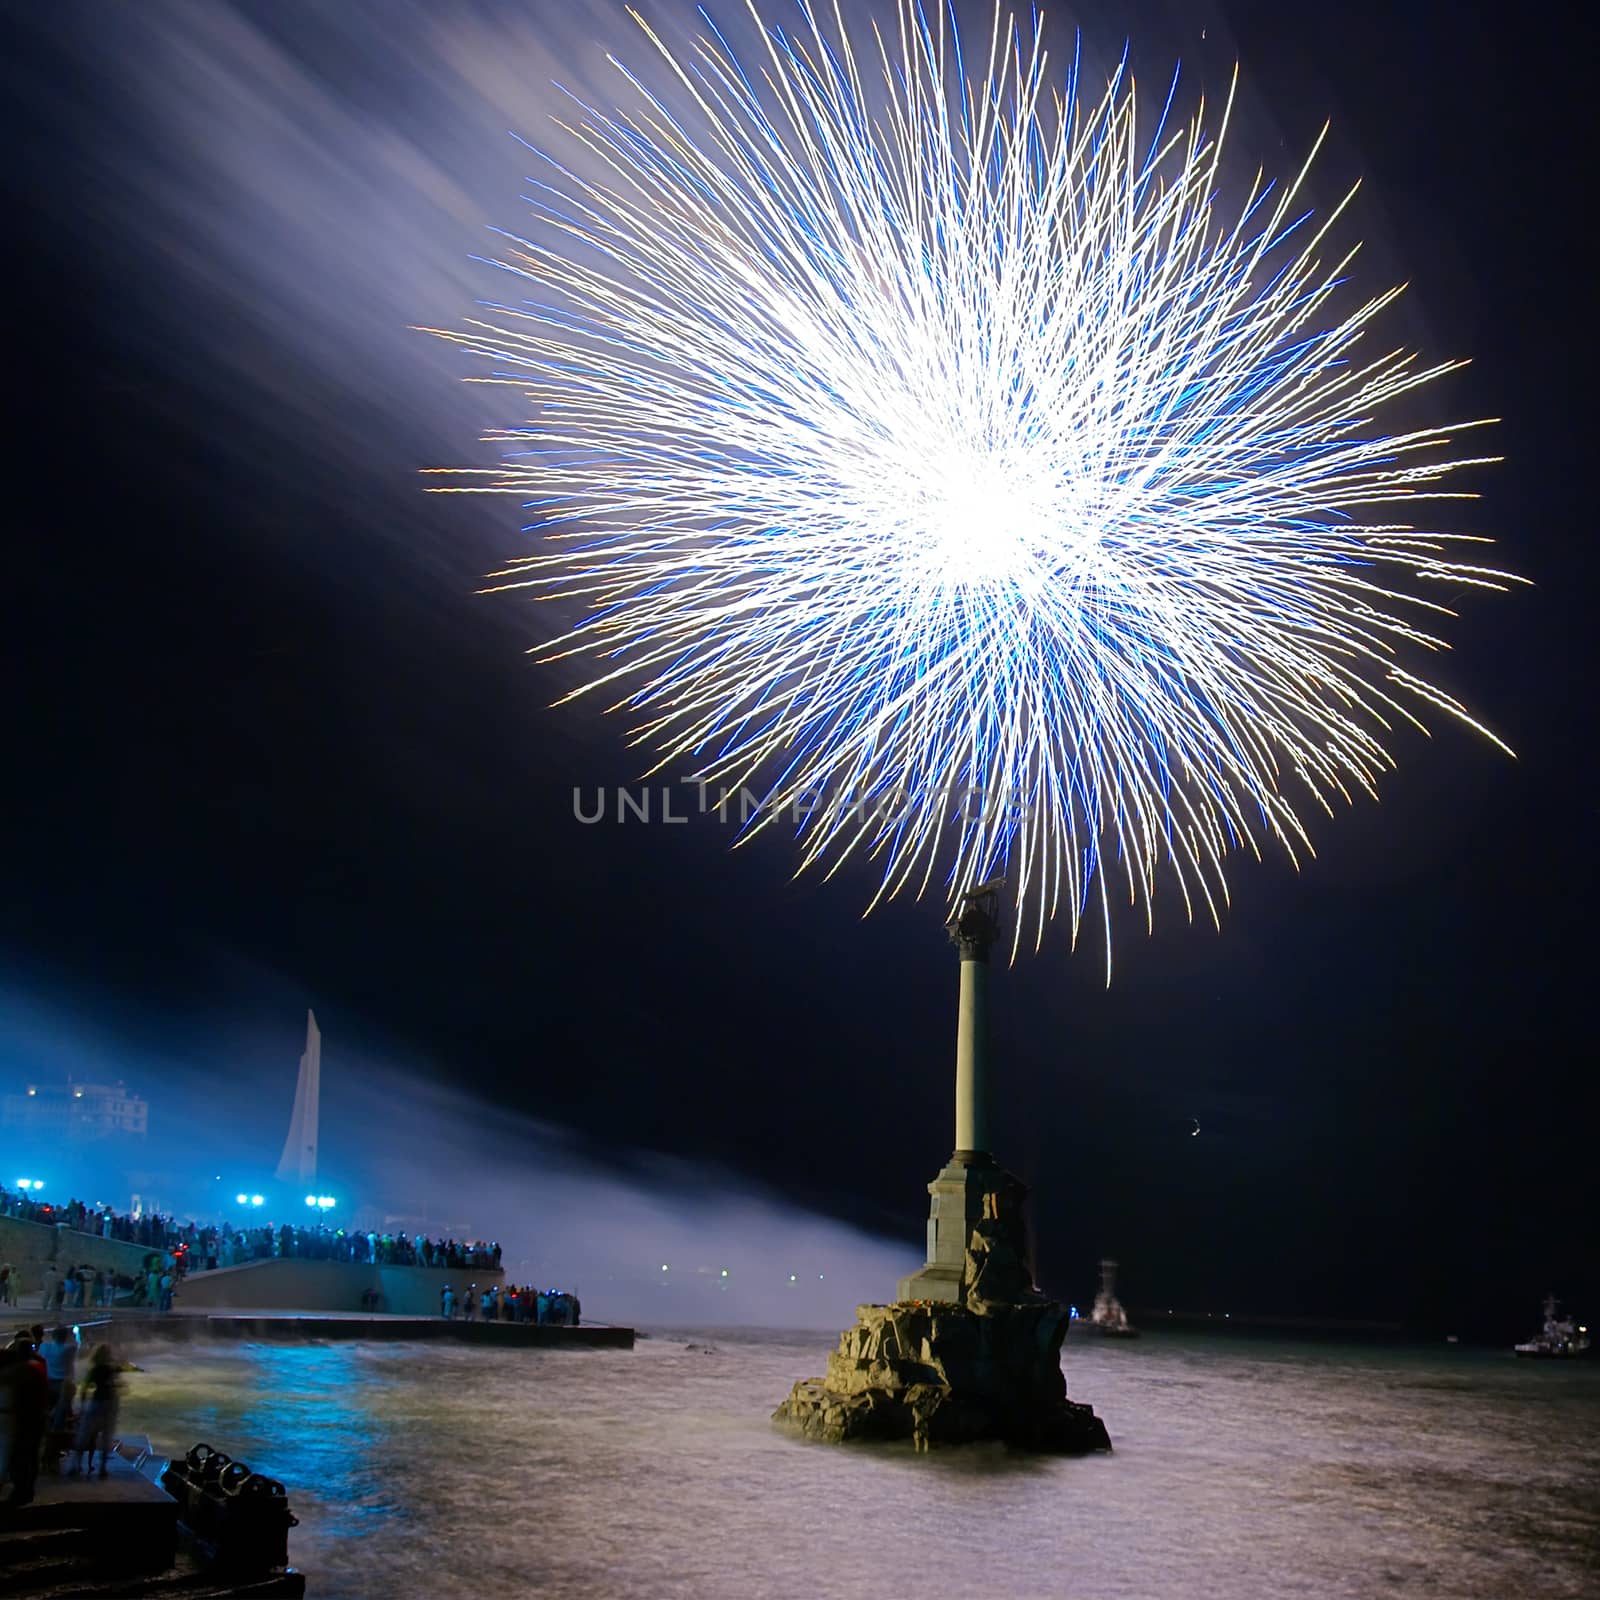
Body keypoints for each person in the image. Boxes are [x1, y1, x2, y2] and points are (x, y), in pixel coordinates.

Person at [1, 1332, 49, 1506]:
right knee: (30, 1455)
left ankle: (20, 1491)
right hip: (36, 1416)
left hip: (21, 1417)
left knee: (18, 1455)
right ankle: (26, 1490)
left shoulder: (18, 1370)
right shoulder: (38, 1366)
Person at [68, 1345, 120, 1478]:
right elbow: (115, 1386)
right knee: (106, 1436)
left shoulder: (94, 1370)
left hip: (95, 1403)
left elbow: (84, 1389)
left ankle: (75, 1465)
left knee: (84, 1435)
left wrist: (82, 1405)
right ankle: (102, 1469)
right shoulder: (111, 1369)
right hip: (109, 1403)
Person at [42, 1325, 78, 1429]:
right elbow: (78, 1344)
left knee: (49, 1408)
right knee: (62, 1411)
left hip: (48, 1382)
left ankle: (48, 1430)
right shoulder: (70, 1349)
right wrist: (76, 1334)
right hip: (64, 1384)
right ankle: (58, 1432)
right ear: (66, 1337)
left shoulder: (45, 1347)